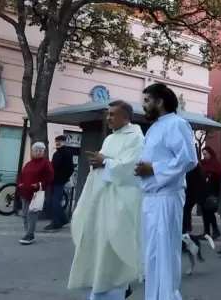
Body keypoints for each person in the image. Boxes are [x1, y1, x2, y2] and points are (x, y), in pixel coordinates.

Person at [68, 100, 145, 300]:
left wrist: (105, 162)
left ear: (126, 117)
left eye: (113, 114)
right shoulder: (111, 138)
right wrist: (97, 162)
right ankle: (96, 287)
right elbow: (107, 163)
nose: (109, 118)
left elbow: (132, 168)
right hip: (101, 201)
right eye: (108, 114)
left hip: (118, 203)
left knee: (112, 248)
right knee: (97, 244)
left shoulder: (136, 138)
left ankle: (114, 290)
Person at [136, 82, 198, 300]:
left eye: (146, 101)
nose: (143, 106)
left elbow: (189, 159)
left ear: (159, 102)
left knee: (165, 254)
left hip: (167, 197)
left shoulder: (177, 124)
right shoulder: (153, 128)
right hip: (150, 198)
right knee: (151, 254)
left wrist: (153, 168)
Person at [15, 142, 54, 245]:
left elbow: (49, 177)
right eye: (36, 150)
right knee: (25, 214)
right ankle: (28, 233)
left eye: (40, 151)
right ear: (32, 151)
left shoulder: (46, 163)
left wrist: (38, 185)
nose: (38, 152)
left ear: (44, 152)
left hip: (37, 194)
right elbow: (21, 175)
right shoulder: (28, 164)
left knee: (32, 214)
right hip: (25, 192)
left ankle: (29, 234)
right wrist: (20, 184)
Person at [46, 134, 75, 232]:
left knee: (55, 202)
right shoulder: (56, 153)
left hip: (59, 181)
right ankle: (63, 220)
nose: (57, 143)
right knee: (52, 201)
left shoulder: (67, 153)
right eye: (56, 141)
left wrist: (64, 178)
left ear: (64, 142)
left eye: (59, 141)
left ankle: (57, 222)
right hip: (53, 181)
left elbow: (71, 168)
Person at [200, 146, 221, 240]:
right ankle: (207, 232)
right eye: (203, 154)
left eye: (205, 154)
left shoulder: (215, 164)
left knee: (209, 212)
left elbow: (216, 179)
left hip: (211, 192)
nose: (204, 156)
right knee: (205, 213)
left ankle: (214, 230)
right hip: (203, 192)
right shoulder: (203, 163)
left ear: (210, 154)